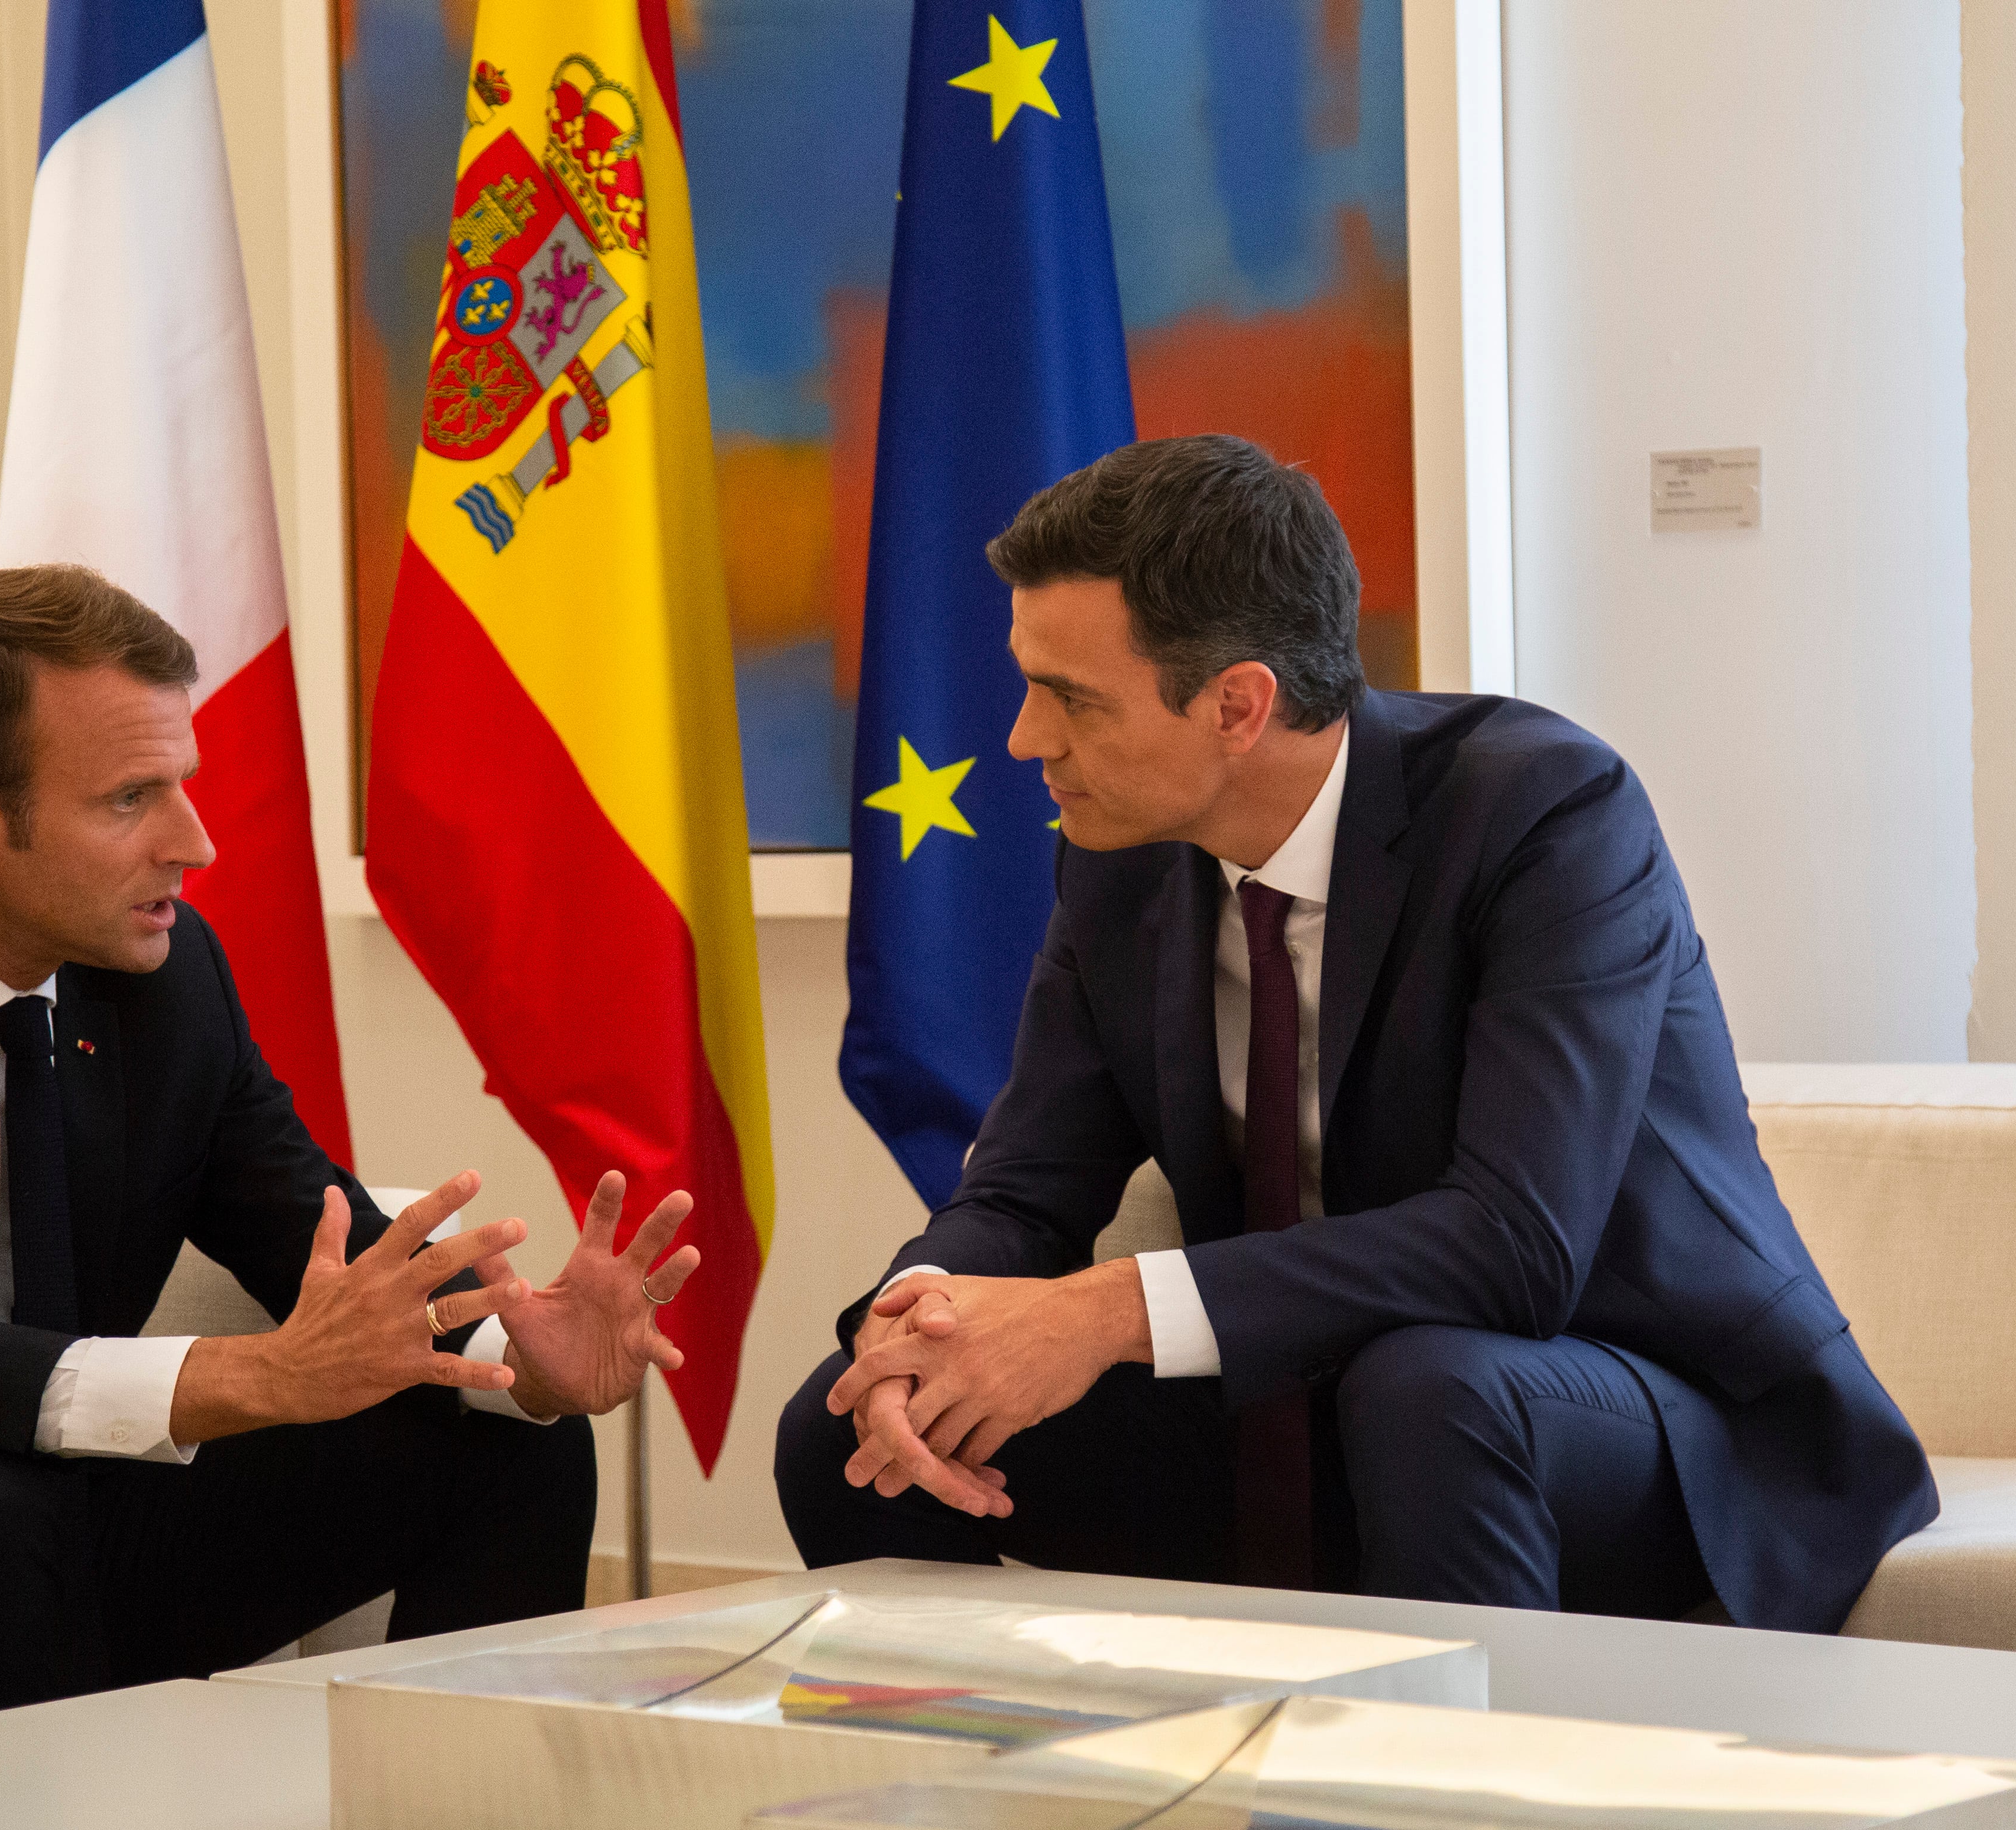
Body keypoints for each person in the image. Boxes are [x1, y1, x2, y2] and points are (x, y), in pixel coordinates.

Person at [776, 435, 1935, 1632]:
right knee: (848, 1429)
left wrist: (1103, 1309)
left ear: (1236, 704)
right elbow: (1023, 1192)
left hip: (1627, 1405)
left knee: (1429, 1389)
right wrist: (917, 1316)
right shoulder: (1115, 867)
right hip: (1305, 1406)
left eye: (1068, 698)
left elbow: (1511, 1246)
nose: (1024, 739)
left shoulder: (1545, 814)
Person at [0, 564, 699, 1760]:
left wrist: (521, 1352)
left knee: (508, 1444)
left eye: (182, 785)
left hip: (39, 1507)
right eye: (130, 797)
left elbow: (314, 1228)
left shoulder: (163, 975)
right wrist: (254, 1376)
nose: (193, 842)